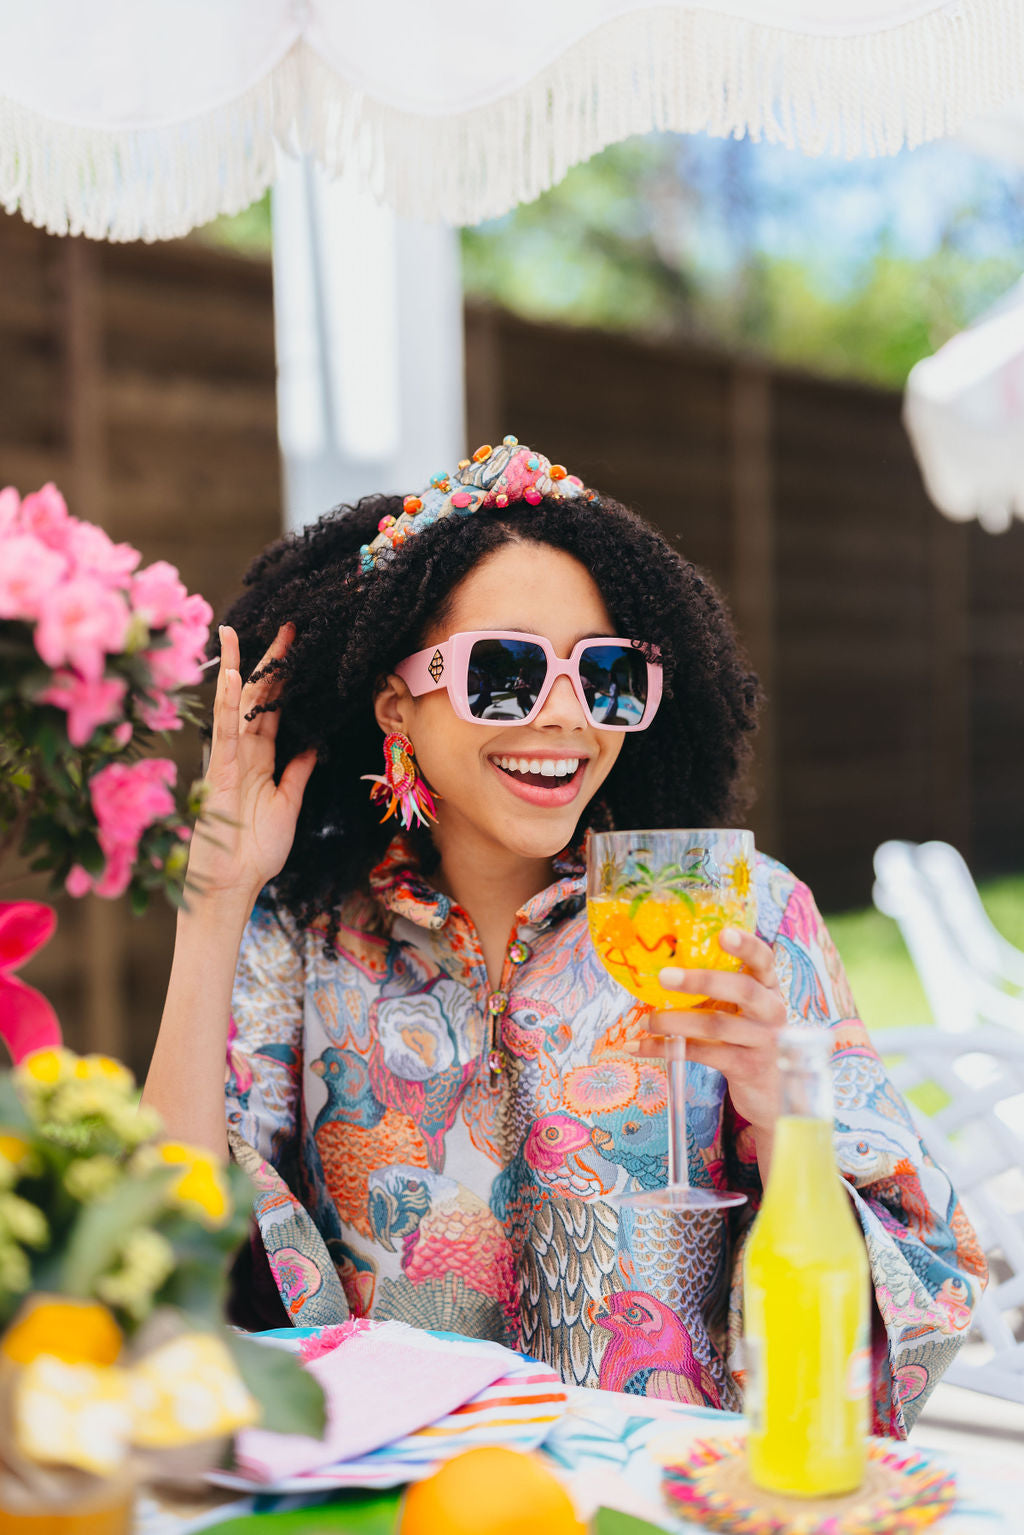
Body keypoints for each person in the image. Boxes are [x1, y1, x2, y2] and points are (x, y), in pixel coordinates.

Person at [143, 437, 985, 1435]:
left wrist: (781, 1114)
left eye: (607, 675)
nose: (565, 714)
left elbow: (919, 1305)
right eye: (503, 670)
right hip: (407, 1497)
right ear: (393, 701)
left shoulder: (749, 914)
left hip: (665, 1503)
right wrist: (214, 901)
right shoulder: (299, 931)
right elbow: (160, 1252)